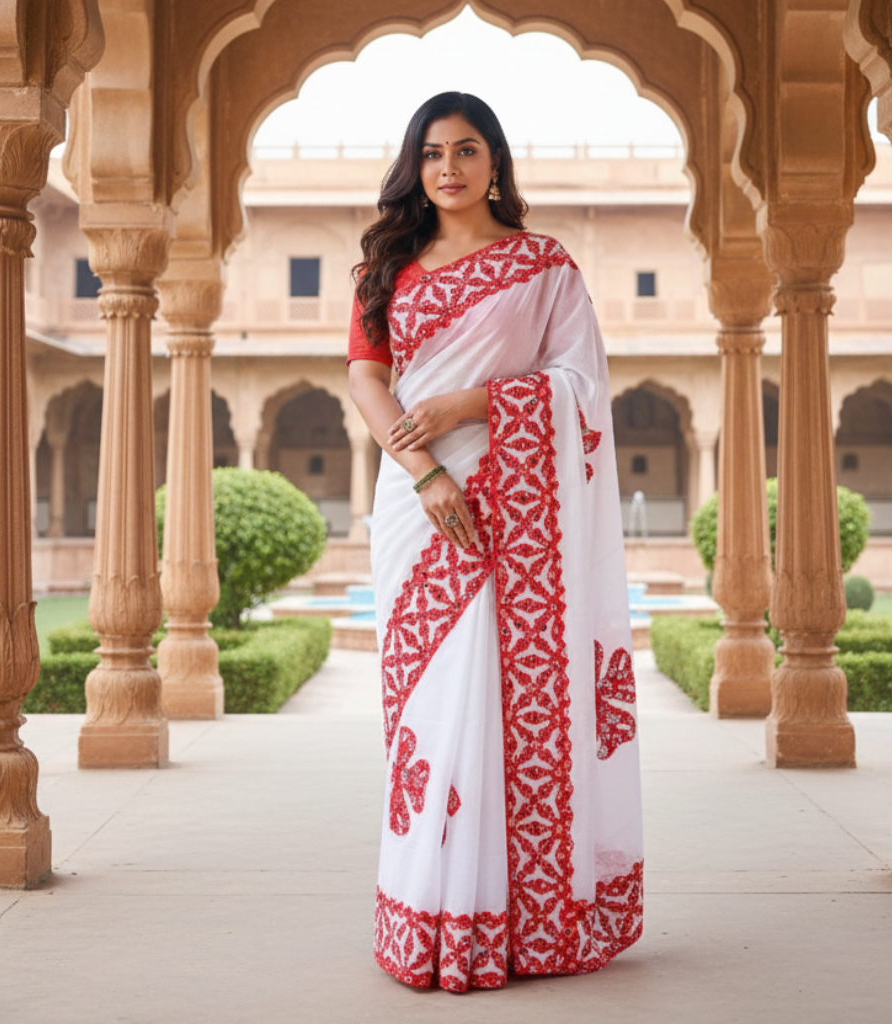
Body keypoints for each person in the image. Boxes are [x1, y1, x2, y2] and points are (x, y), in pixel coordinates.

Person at [347, 92, 643, 993]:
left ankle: (524, 921)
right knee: (435, 707)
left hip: (520, 509)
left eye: (467, 150)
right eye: (433, 152)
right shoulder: (387, 268)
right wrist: (427, 473)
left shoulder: (543, 267)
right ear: (416, 166)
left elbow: (580, 386)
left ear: (495, 163)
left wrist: (473, 404)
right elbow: (367, 381)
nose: (449, 168)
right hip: (420, 506)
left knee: (510, 704)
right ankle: (433, 912)